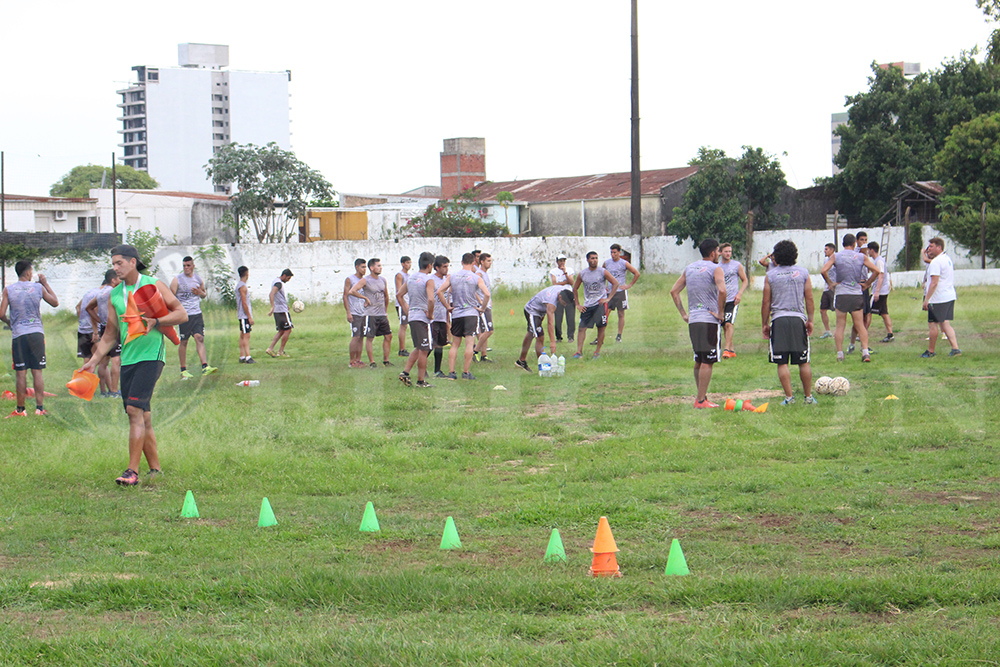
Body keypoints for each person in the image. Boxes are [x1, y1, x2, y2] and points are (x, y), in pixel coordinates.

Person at [82, 244, 188, 485]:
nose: (115, 268)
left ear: (133, 262)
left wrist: (157, 320)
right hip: (128, 359)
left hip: (151, 356)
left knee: (133, 411)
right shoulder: (114, 295)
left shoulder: (153, 285)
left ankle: (132, 471)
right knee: (143, 415)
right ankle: (156, 470)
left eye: (119, 263)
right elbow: (110, 334)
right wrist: (93, 362)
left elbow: (181, 314)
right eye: (113, 264)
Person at [670, 239, 726, 409]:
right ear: (712, 253)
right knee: (708, 361)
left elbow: (674, 291)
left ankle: (702, 396)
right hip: (709, 319)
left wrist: (684, 314)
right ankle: (700, 400)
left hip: (694, 319)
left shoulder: (690, 268)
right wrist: (721, 313)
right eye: (718, 251)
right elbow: (723, 290)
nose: (720, 254)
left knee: (699, 359)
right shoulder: (716, 268)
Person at [761, 240, 817, 406]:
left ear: (776, 256)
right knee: (803, 360)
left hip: (778, 320)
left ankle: (789, 398)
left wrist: (765, 323)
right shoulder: (803, 273)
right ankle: (808, 397)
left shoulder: (770, 275)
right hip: (798, 319)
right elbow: (809, 298)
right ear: (795, 255)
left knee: (782, 361)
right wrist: (811, 320)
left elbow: (766, 302)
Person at [0, 260, 58, 417]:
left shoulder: (8, 289)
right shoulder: (38, 287)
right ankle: (39, 408)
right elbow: (55, 302)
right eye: (31, 271)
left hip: (19, 335)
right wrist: (45, 283)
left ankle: (20, 410)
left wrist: (10, 323)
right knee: (37, 372)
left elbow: (1, 314)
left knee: (21, 373)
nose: (32, 274)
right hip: (36, 334)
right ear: (27, 272)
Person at [820, 233, 880, 363]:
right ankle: (865, 352)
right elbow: (876, 270)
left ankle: (840, 354)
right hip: (856, 293)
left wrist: (830, 283)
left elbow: (823, 270)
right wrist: (867, 284)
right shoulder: (861, 257)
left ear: (842, 244)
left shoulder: (836, 256)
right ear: (854, 244)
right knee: (859, 324)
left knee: (840, 325)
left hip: (841, 293)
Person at [436, 252, 490, 380]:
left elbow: (440, 291)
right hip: (471, 313)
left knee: (455, 344)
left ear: (461, 262)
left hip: (457, 314)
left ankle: (451, 372)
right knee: (469, 343)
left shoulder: (453, 276)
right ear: (473, 263)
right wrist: (482, 308)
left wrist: (448, 307)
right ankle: (466, 372)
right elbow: (486, 294)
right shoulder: (476, 278)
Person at [171, 256, 216, 379]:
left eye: (188, 266)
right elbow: (170, 297)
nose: (186, 268)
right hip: (184, 315)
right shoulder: (177, 280)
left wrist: (200, 293)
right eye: (184, 266)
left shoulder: (198, 279)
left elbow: (203, 295)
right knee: (184, 341)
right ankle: (183, 369)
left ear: (193, 266)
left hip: (197, 314)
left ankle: (205, 366)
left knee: (199, 338)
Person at [397, 251, 437, 388]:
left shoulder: (411, 278)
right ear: (430, 265)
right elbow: (431, 299)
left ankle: (405, 373)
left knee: (418, 347)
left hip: (413, 316)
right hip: (422, 318)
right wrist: (430, 315)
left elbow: (399, 295)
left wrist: (408, 310)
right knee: (424, 350)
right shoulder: (428, 280)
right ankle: (421, 381)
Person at [515, 285, 575, 372]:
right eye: (564, 303)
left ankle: (521, 361)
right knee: (540, 337)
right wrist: (552, 342)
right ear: (560, 297)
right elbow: (550, 323)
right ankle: (543, 366)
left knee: (531, 334)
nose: (565, 305)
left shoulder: (566, 290)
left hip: (540, 311)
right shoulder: (551, 302)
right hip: (532, 310)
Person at [572, 251, 619, 359]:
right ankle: (579, 352)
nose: (594, 260)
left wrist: (608, 298)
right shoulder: (582, 274)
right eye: (592, 258)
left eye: (596, 258)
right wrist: (578, 304)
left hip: (600, 304)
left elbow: (615, 283)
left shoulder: (602, 271)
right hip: (588, 305)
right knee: (582, 328)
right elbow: (575, 288)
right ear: (587, 260)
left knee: (601, 328)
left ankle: (597, 352)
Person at [348, 258, 394, 367]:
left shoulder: (383, 280)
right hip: (371, 314)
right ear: (372, 268)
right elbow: (352, 291)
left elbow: (386, 296)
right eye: (378, 266)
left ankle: (386, 360)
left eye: (381, 265)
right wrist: (364, 298)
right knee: (370, 337)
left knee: (388, 336)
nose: (380, 267)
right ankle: (372, 362)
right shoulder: (366, 280)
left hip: (381, 314)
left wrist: (385, 310)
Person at [922, 237, 961, 357]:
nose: (929, 249)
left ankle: (931, 351)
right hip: (948, 296)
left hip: (938, 299)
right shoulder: (946, 259)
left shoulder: (936, 262)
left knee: (933, 325)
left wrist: (927, 299)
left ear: (939, 247)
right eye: (928, 247)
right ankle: (955, 349)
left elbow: (934, 282)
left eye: (932, 246)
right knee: (945, 324)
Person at [86, 269, 122, 397]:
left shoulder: (100, 293)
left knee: (104, 361)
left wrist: (100, 320)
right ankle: (114, 391)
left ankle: (103, 391)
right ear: (113, 280)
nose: (120, 281)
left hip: (104, 328)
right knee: (116, 360)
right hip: (114, 329)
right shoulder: (114, 292)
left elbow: (88, 308)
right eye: (118, 279)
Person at [602, 243, 640, 343]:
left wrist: (629, 285)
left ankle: (619, 335)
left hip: (620, 292)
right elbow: (602, 274)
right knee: (605, 314)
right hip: (610, 292)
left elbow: (636, 273)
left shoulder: (624, 263)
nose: (613, 254)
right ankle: (600, 336)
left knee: (621, 313)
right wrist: (604, 286)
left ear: (619, 252)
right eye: (611, 252)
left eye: (615, 252)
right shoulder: (607, 263)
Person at [718, 243, 748, 358]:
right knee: (724, 324)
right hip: (721, 300)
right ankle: (731, 350)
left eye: (730, 251)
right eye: (726, 251)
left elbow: (745, 280)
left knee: (729, 324)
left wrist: (739, 294)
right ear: (720, 253)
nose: (728, 254)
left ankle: (726, 350)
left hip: (732, 300)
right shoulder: (717, 266)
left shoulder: (736, 265)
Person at [344, 258, 373, 368]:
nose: (364, 269)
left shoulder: (365, 280)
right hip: (354, 312)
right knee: (355, 336)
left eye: (365, 267)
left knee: (361, 336)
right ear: (356, 267)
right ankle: (352, 361)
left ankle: (358, 360)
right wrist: (348, 312)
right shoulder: (350, 279)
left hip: (364, 312)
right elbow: (345, 296)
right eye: (362, 267)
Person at [867, 241, 894, 343]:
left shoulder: (879, 261)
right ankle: (890, 334)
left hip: (880, 291)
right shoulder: (878, 260)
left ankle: (863, 332)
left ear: (872, 250)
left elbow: (881, 276)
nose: (868, 252)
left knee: (869, 312)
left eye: (869, 250)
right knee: (883, 313)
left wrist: (877, 291)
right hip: (882, 290)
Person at [265, 269, 294, 358]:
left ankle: (270, 349)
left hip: (279, 310)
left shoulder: (275, 281)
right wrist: (272, 306)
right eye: (288, 278)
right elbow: (271, 294)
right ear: (284, 275)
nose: (288, 280)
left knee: (281, 331)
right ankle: (280, 351)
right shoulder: (278, 283)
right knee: (288, 330)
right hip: (281, 311)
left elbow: (278, 296)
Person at [430, 256, 450, 378]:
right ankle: (420, 368)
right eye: (444, 266)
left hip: (442, 316)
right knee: (429, 345)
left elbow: (447, 297)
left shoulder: (446, 280)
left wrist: (448, 318)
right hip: (432, 317)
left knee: (439, 344)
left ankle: (437, 370)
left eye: (448, 266)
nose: (446, 269)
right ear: (437, 267)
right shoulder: (431, 280)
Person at [550, 254, 575, 342]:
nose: (562, 262)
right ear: (557, 262)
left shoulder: (569, 270)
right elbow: (554, 283)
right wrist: (565, 282)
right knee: (558, 317)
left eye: (563, 260)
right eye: (560, 261)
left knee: (571, 317)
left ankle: (570, 336)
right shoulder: (553, 271)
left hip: (569, 294)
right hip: (559, 294)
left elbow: (571, 282)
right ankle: (559, 337)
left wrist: (565, 273)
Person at [474, 253, 494, 362]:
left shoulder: (485, 274)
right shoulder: (479, 274)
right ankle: (475, 351)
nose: (490, 263)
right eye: (488, 261)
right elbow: (473, 290)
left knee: (484, 331)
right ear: (482, 262)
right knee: (489, 331)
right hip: (483, 307)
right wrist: (480, 301)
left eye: (490, 261)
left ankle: (483, 355)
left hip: (487, 305)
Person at [77, 279, 102, 365]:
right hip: (94, 330)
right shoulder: (101, 294)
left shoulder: (89, 292)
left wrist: (82, 321)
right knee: (100, 358)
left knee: (87, 358)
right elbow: (93, 310)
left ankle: (86, 378)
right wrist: (95, 331)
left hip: (83, 329)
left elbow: (77, 307)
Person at [235, 266, 255, 364]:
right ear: (247, 273)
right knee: (246, 335)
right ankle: (248, 356)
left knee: (242, 335)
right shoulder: (242, 287)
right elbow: (244, 303)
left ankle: (242, 356)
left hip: (242, 315)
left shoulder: (239, 285)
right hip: (244, 315)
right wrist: (249, 316)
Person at [818, 243, 837, 339]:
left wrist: (835, 284)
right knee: (822, 310)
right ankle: (828, 331)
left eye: (826, 249)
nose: (825, 251)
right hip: (827, 288)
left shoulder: (837, 259)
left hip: (835, 289)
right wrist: (829, 283)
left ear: (832, 250)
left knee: (839, 310)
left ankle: (839, 330)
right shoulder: (826, 260)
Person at [394, 256, 411, 358]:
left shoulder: (409, 275)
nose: (409, 265)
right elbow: (399, 290)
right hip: (402, 303)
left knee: (406, 325)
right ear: (403, 264)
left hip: (409, 302)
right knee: (403, 325)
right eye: (407, 263)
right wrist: (403, 303)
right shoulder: (399, 275)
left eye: (410, 263)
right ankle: (401, 349)